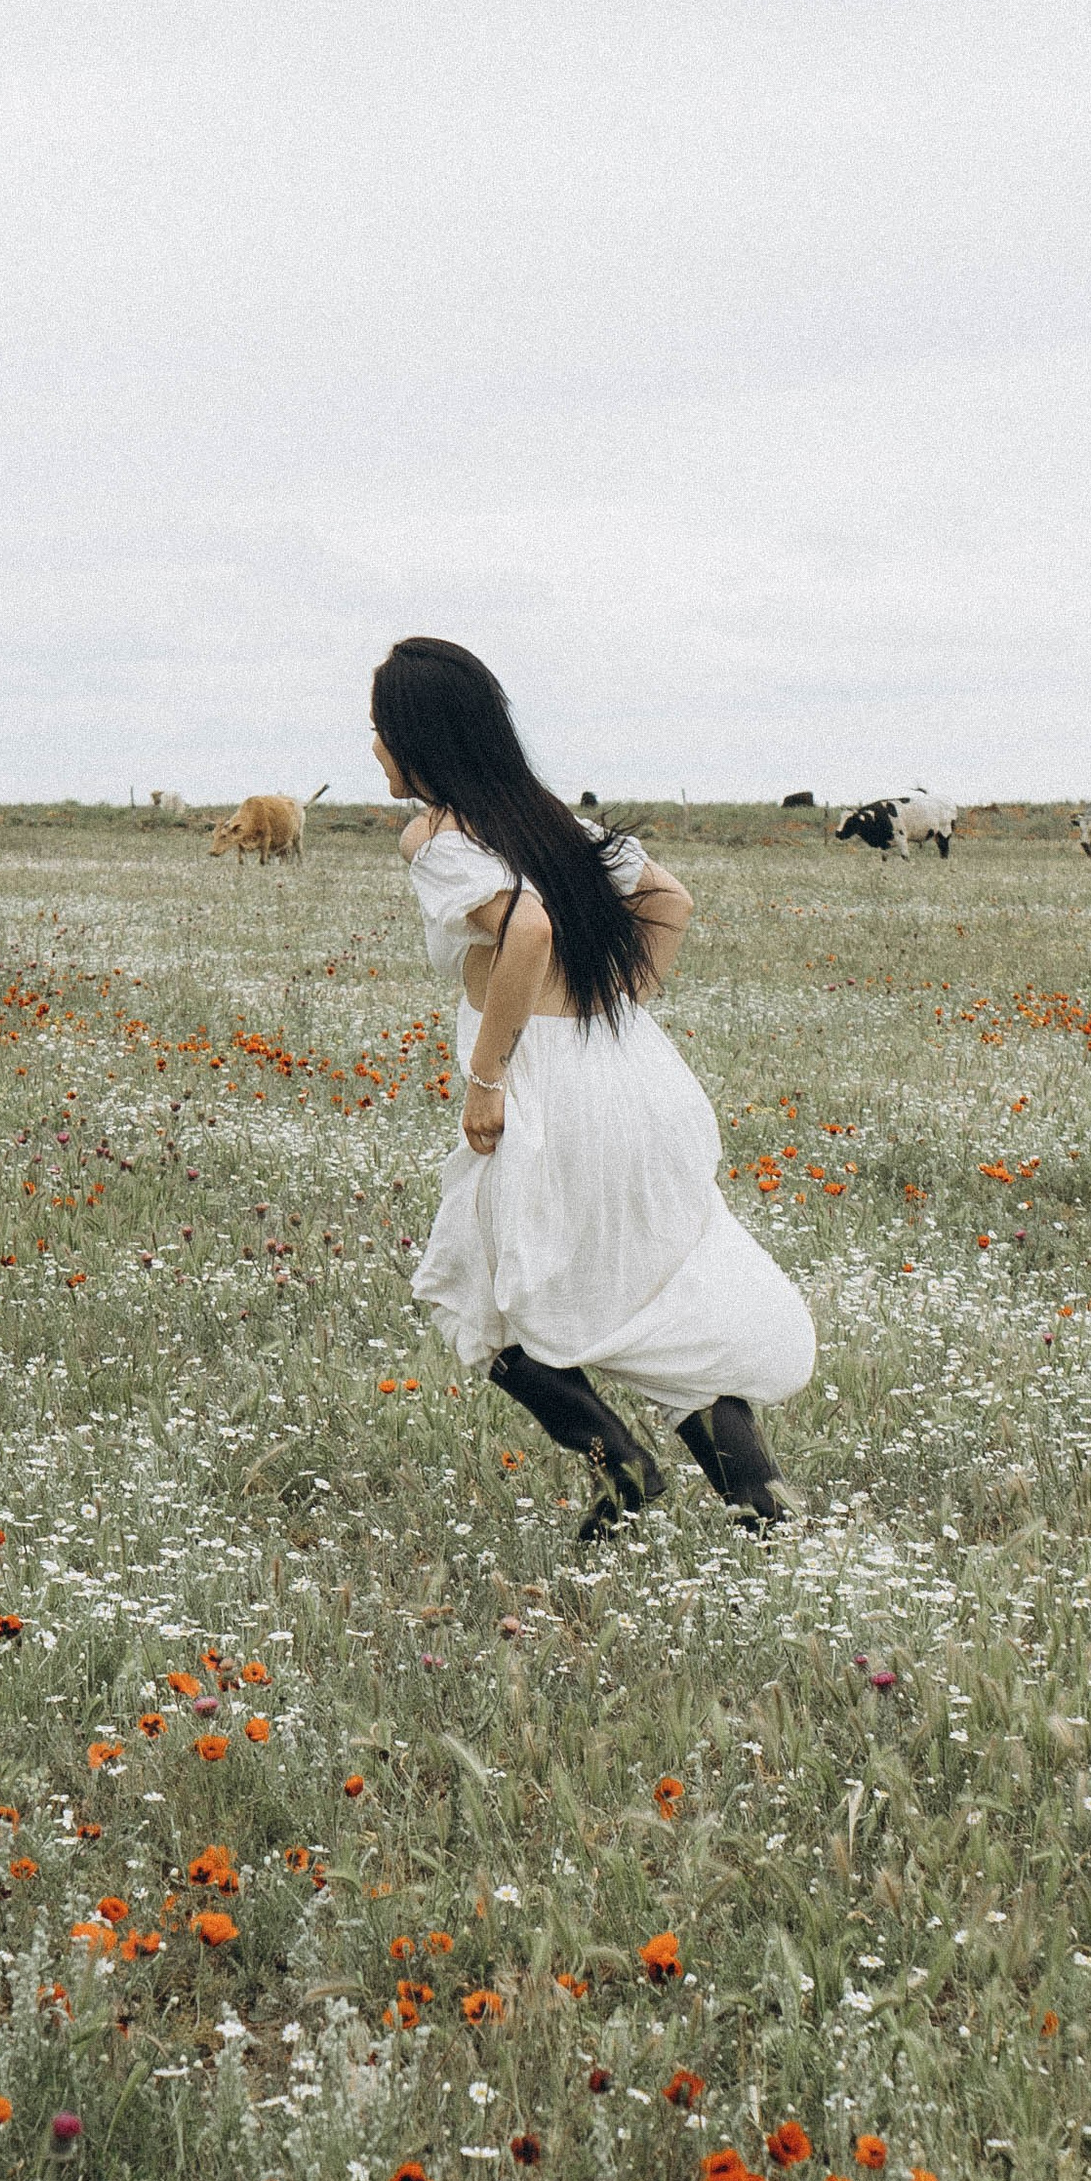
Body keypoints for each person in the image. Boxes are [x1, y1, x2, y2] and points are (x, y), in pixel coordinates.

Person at [370, 636, 814, 1540]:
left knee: (484, 1297)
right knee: (653, 1292)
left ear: (416, 736)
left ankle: (627, 1470)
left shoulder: (437, 834)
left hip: (543, 1086)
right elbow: (670, 901)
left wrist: (487, 1077)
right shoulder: (543, 819)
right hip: (628, 1073)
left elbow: (525, 927)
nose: (372, 748)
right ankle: (762, 1506)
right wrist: (617, 1002)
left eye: (379, 730)